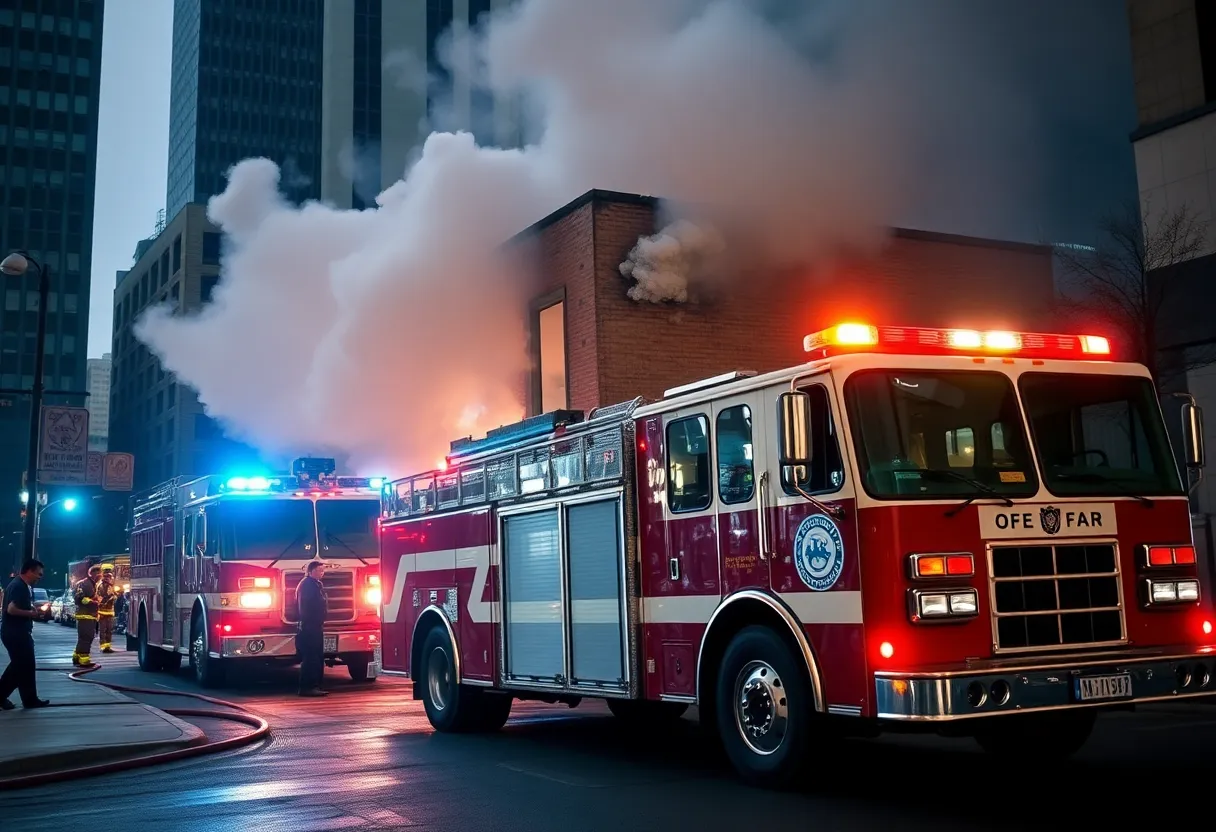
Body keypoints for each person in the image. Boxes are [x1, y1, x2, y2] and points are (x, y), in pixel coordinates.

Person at [1, 558, 52, 710]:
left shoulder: (18, 584)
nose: (40, 577)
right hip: (17, 633)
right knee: (23, 667)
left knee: (21, 668)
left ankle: (28, 699)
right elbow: (11, 609)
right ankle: (29, 700)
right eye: (39, 574)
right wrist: (31, 613)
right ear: (29, 571)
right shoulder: (20, 587)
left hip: (14, 633)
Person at [295, 560, 328, 697]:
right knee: (311, 657)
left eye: (323, 571)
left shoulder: (316, 585)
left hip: (316, 625)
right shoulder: (307, 585)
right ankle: (307, 687)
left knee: (318, 657)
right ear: (310, 571)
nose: (322, 573)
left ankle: (316, 685)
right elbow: (306, 607)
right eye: (319, 571)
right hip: (310, 626)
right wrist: (310, 623)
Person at [72, 564, 102, 667]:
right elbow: (80, 599)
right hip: (85, 615)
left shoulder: (92, 584)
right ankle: (84, 659)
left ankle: (77, 656)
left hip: (89, 615)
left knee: (83, 637)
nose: (100, 576)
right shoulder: (85, 584)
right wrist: (93, 602)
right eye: (99, 573)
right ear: (92, 573)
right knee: (87, 637)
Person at [96, 564, 119, 654]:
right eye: (106, 576)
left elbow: (115, 595)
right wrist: (105, 599)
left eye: (109, 576)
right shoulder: (100, 585)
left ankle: (108, 647)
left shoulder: (111, 585)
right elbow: (98, 596)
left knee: (109, 630)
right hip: (102, 611)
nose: (108, 577)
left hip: (110, 611)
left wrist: (115, 596)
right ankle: (103, 646)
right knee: (102, 629)